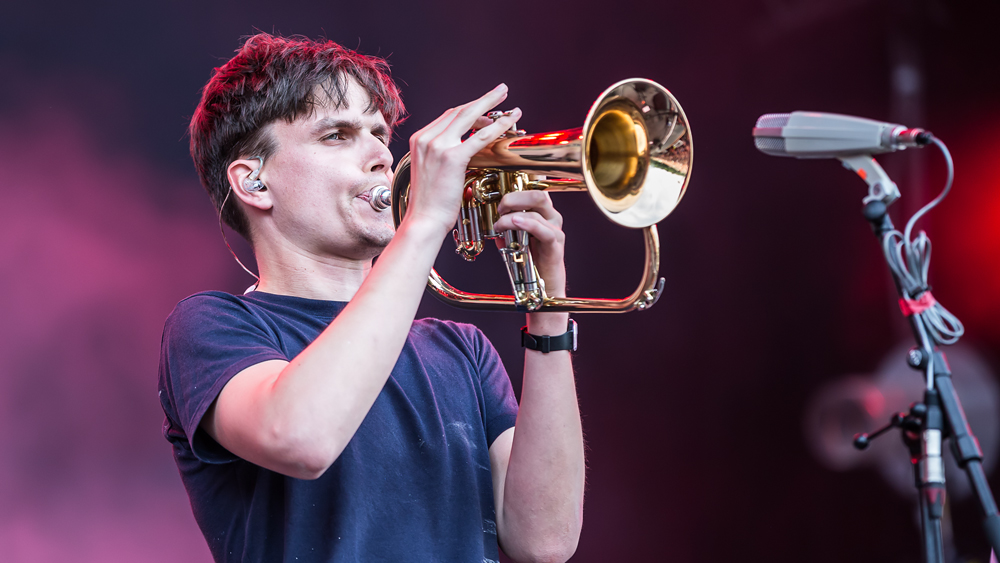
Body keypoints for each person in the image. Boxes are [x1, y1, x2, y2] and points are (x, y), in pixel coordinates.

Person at [158, 33, 585, 563]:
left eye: (380, 133)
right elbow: (302, 436)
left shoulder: (463, 351)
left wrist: (549, 311)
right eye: (337, 135)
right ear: (255, 183)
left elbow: (544, 541)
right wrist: (425, 222)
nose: (383, 155)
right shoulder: (211, 326)